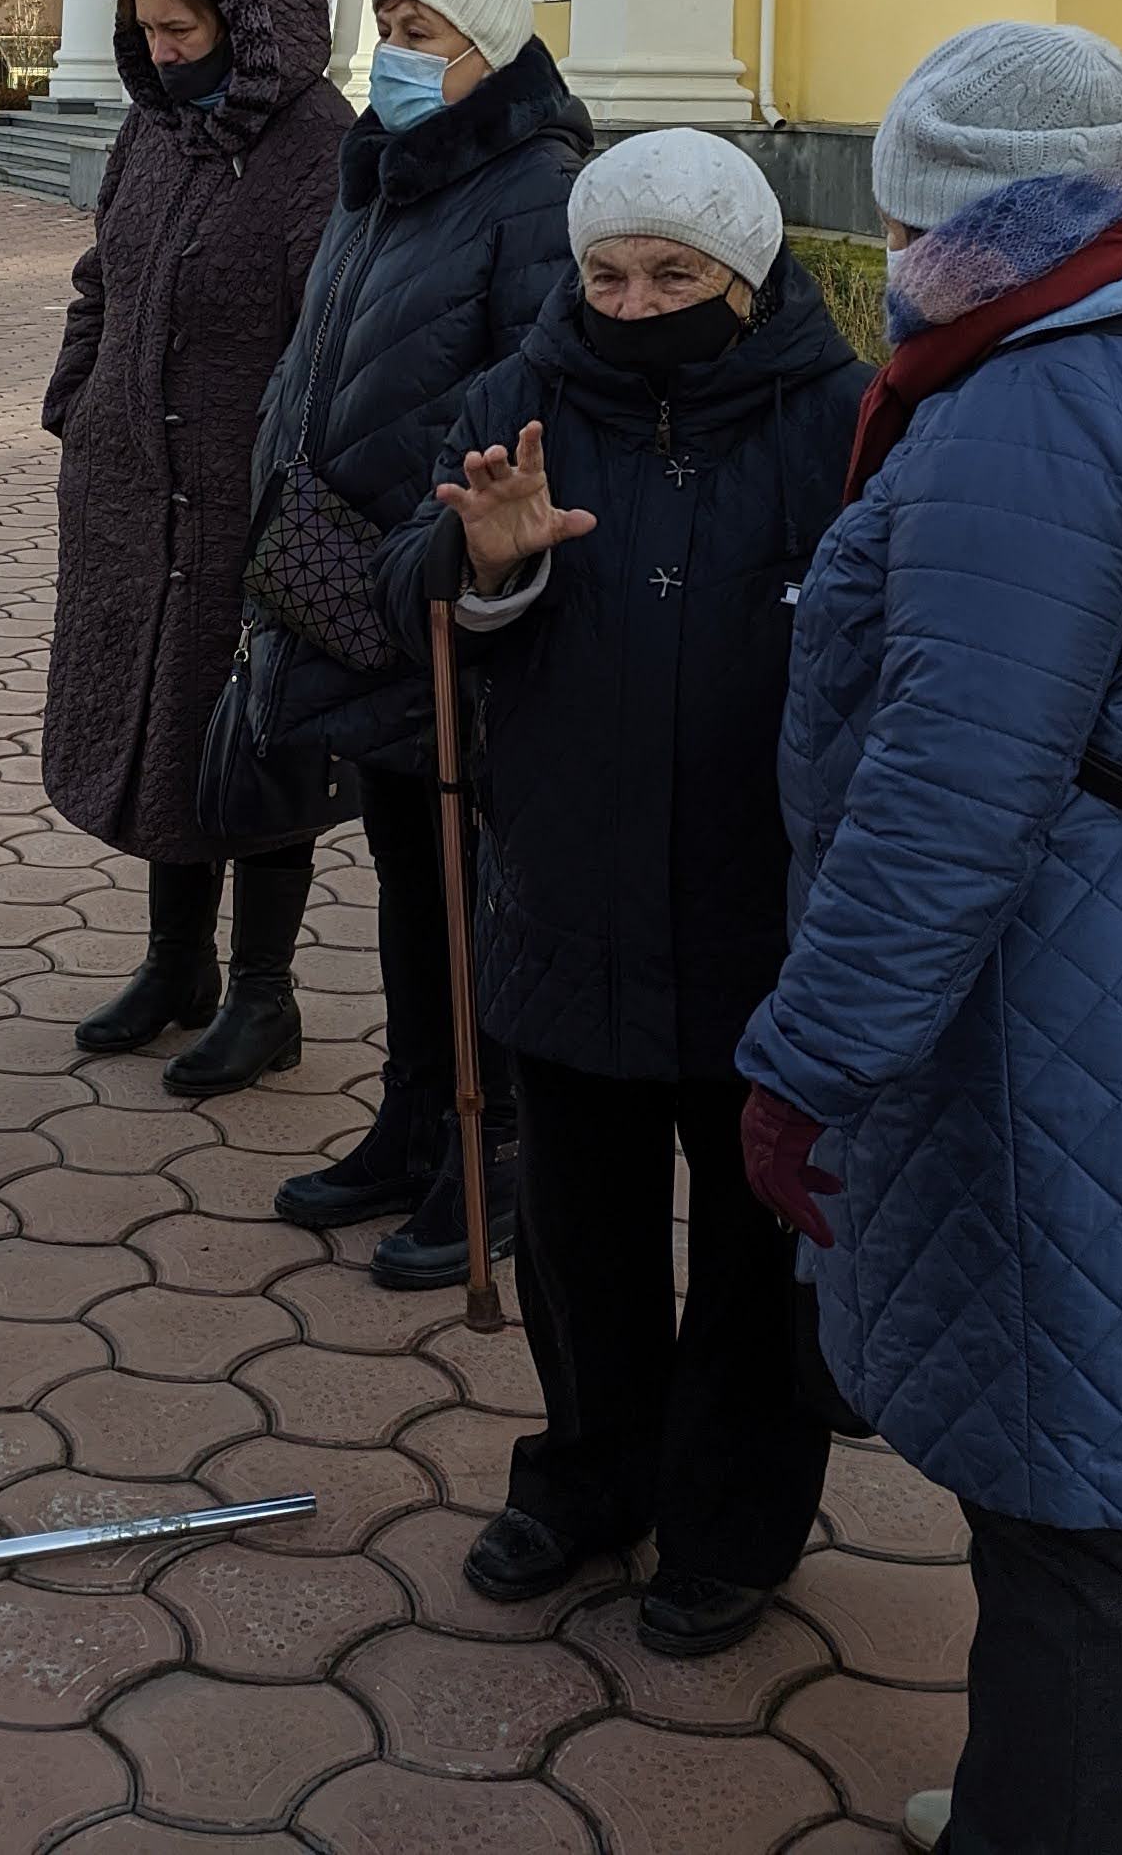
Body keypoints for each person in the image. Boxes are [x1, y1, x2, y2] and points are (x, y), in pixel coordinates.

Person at [726, 23, 1122, 1855]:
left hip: (1064, 1022)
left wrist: (805, 1063)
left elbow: (944, 795)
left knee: (1073, 1513)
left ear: (952, 209)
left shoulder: (1031, 410)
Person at [375, 130, 867, 1654]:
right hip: (564, 893)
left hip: (763, 917)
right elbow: (413, 589)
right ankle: (587, 1476)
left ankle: (731, 1519)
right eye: (607, 272)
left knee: (749, 1249)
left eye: (675, 273)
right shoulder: (514, 402)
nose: (636, 301)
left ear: (748, 271)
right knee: (580, 1245)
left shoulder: (845, 419)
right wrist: (488, 566)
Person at [242, 0, 587, 1286]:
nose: (389, 40)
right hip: (357, 590)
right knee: (401, 870)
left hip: (445, 593)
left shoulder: (531, 186)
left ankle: (485, 1149)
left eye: (418, 21)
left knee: (465, 885)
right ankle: (406, 1116)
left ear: (487, 49)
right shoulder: (383, 169)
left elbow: (528, 388)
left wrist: (435, 538)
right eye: (382, 16)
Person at [45, 0, 351, 1095]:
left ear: (244, 21)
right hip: (128, 495)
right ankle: (178, 966)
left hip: (244, 503)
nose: (163, 53)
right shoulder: (153, 129)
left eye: (181, 29)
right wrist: (76, 408)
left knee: (255, 737)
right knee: (162, 729)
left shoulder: (315, 145)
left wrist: (288, 484)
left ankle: (264, 993)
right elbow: (99, 281)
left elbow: (328, 342)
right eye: (147, 33)